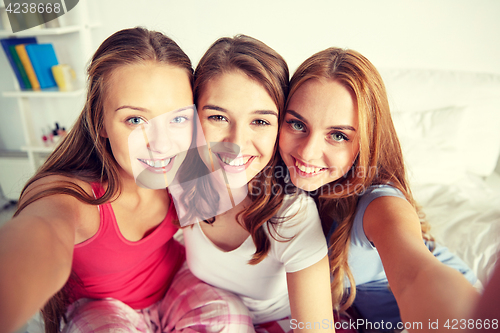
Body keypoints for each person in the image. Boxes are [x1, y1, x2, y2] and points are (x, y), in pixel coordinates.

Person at [0, 27, 254, 333]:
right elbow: (39, 236)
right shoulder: (70, 197)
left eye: (177, 118)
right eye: (135, 120)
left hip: (177, 285)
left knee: (230, 318)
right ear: (101, 122)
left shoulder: (191, 167)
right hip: (101, 308)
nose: (161, 144)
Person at [278, 47, 479, 331]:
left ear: (367, 142)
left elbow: (416, 276)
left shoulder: (380, 204)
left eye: (338, 136)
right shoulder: (279, 178)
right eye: (297, 124)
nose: (308, 153)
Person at [179, 35, 336, 333]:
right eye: (217, 117)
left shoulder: (291, 215)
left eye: (260, 121)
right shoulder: (181, 176)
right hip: (213, 311)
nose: (236, 143)